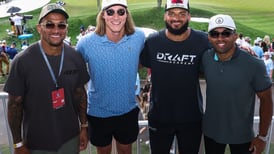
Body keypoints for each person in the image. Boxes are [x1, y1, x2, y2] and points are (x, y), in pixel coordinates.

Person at [4, 3, 90, 154]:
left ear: (66, 29)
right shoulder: (22, 61)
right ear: (39, 28)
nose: (56, 30)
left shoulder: (75, 57)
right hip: (36, 143)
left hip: (70, 139)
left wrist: (84, 127)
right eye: (49, 25)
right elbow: (14, 105)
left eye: (61, 25)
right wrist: (18, 144)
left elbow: (80, 94)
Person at [139, 0, 211, 153]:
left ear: (189, 17)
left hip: (191, 117)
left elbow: (225, 49)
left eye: (182, 14)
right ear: (165, 16)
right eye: (171, 13)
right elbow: (137, 63)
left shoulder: (203, 41)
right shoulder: (153, 41)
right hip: (160, 116)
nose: (176, 18)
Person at [76, 0, 145, 153]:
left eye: (121, 11)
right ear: (103, 16)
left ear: (127, 15)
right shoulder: (86, 43)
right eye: (110, 11)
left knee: (126, 151)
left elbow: (140, 61)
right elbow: (76, 75)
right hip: (98, 111)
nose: (116, 16)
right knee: (103, 151)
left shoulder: (139, 37)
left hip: (127, 109)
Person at [201, 14, 273, 154]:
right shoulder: (205, 58)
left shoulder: (254, 64)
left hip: (242, 136)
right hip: (211, 132)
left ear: (235, 36)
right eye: (215, 34)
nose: (220, 38)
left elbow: (266, 100)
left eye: (226, 33)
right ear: (209, 38)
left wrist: (262, 136)